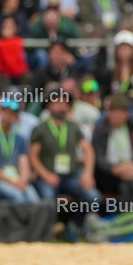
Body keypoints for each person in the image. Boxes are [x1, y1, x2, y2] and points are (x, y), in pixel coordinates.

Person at [29, 87, 100, 232]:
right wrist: (45, 175)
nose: (61, 106)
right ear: (48, 106)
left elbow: (88, 150)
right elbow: (33, 155)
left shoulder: (74, 127)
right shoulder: (40, 129)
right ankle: (48, 231)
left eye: (64, 103)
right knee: (47, 198)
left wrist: (87, 173)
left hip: (71, 176)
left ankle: (75, 226)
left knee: (94, 196)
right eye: (57, 102)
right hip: (48, 176)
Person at [91, 94, 133, 204]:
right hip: (108, 174)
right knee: (129, 180)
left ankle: (126, 211)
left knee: (126, 183)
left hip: (132, 170)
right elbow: (99, 159)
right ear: (108, 113)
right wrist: (114, 169)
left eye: (121, 111)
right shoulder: (100, 131)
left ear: (127, 114)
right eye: (114, 111)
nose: (118, 115)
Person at [0, 99, 40, 203]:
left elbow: (23, 162)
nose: (7, 116)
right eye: (4, 112)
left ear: (17, 117)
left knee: (34, 200)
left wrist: (23, 180)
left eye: (11, 114)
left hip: (17, 179)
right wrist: (12, 182)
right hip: (0, 179)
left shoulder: (20, 138)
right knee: (18, 198)